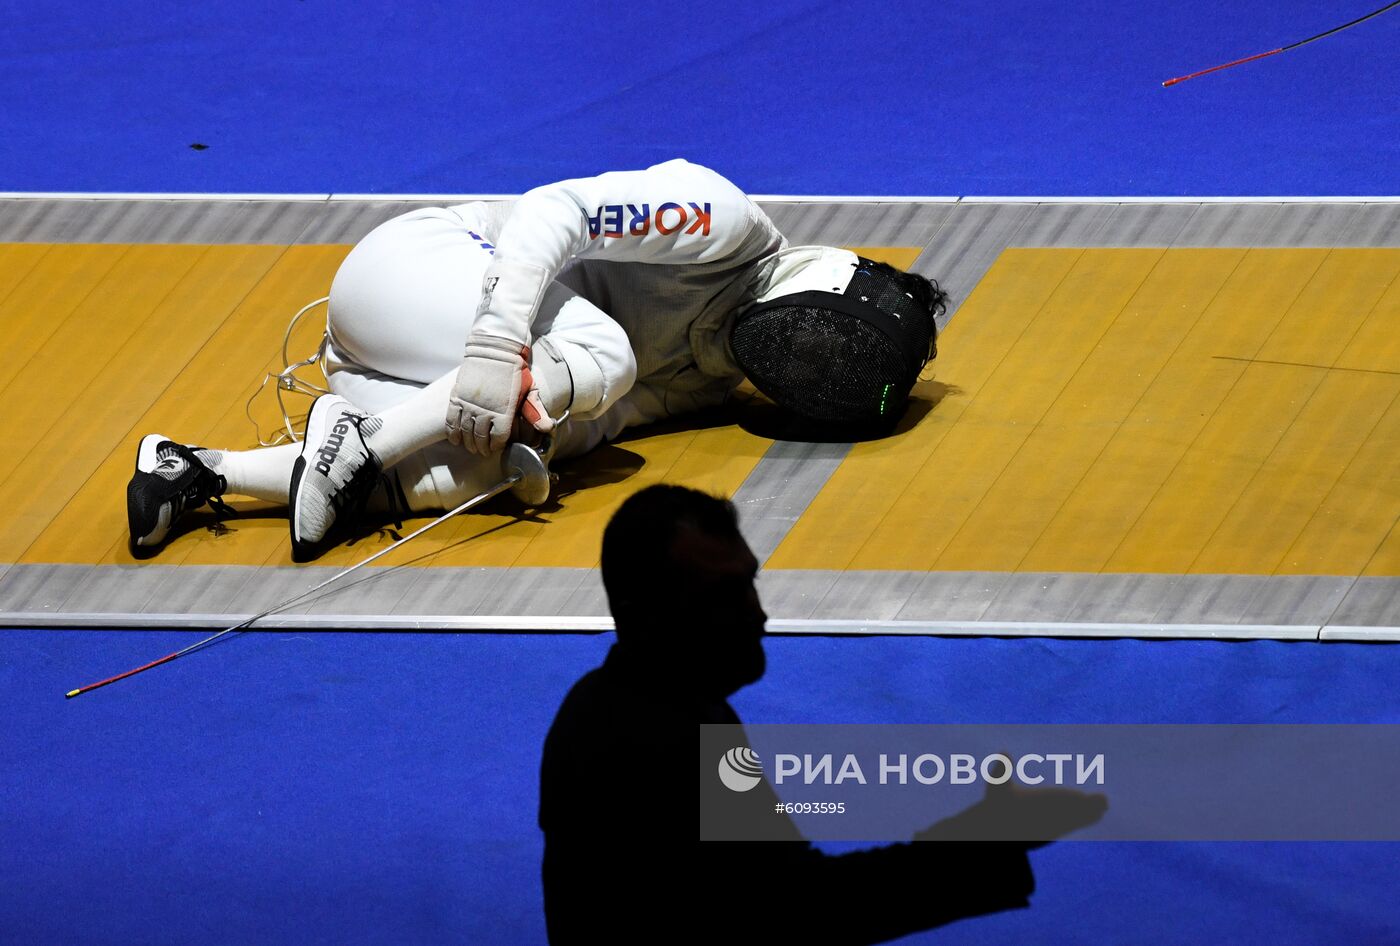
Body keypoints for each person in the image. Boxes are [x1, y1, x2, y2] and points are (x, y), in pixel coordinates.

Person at [125, 159, 946, 559]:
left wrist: (538, 439)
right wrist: (497, 339)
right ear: (833, 281)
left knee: (487, 467)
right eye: (814, 345)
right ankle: (364, 442)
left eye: (814, 378)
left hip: (393, 374)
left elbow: (604, 414)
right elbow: (558, 211)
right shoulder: (725, 221)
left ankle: (198, 471)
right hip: (415, 272)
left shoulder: (714, 378)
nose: (800, 366)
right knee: (604, 352)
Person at [538, 485, 1106, 944]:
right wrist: (985, 839)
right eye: (722, 596)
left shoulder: (619, 706)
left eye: (750, 584)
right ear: (648, 613)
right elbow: (808, 911)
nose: (758, 615)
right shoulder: (667, 743)